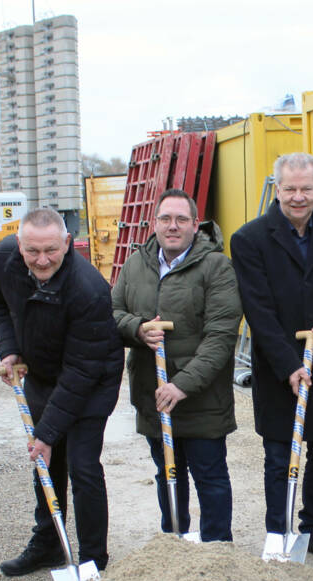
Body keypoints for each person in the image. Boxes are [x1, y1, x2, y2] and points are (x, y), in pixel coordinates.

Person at [231, 152, 313, 561]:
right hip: (277, 366)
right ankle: (279, 529)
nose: (299, 197)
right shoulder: (249, 239)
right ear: (278, 188)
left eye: (307, 188)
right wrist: (289, 365)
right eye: (290, 189)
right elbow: (258, 311)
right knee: (278, 455)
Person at [0, 208, 124, 576]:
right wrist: (9, 348)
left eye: (51, 250)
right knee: (46, 464)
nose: (42, 260)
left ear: (66, 243)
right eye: (32, 251)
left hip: (91, 378)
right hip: (41, 373)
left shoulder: (89, 289)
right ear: (19, 244)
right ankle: (48, 544)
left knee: (82, 466)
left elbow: (81, 371)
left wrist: (46, 433)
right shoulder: (3, 261)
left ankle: (94, 560)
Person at [111, 189, 241, 542]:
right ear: (154, 223)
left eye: (181, 219)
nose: (173, 226)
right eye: (165, 219)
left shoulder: (216, 267)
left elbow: (222, 334)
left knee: (210, 477)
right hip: (153, 394)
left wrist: (181, 384)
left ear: (195, 225)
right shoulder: (136, 264)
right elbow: (113, 313)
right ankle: (173, 548)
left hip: (201, 399)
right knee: (168, 474)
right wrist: (136, 329)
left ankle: (217, 551)